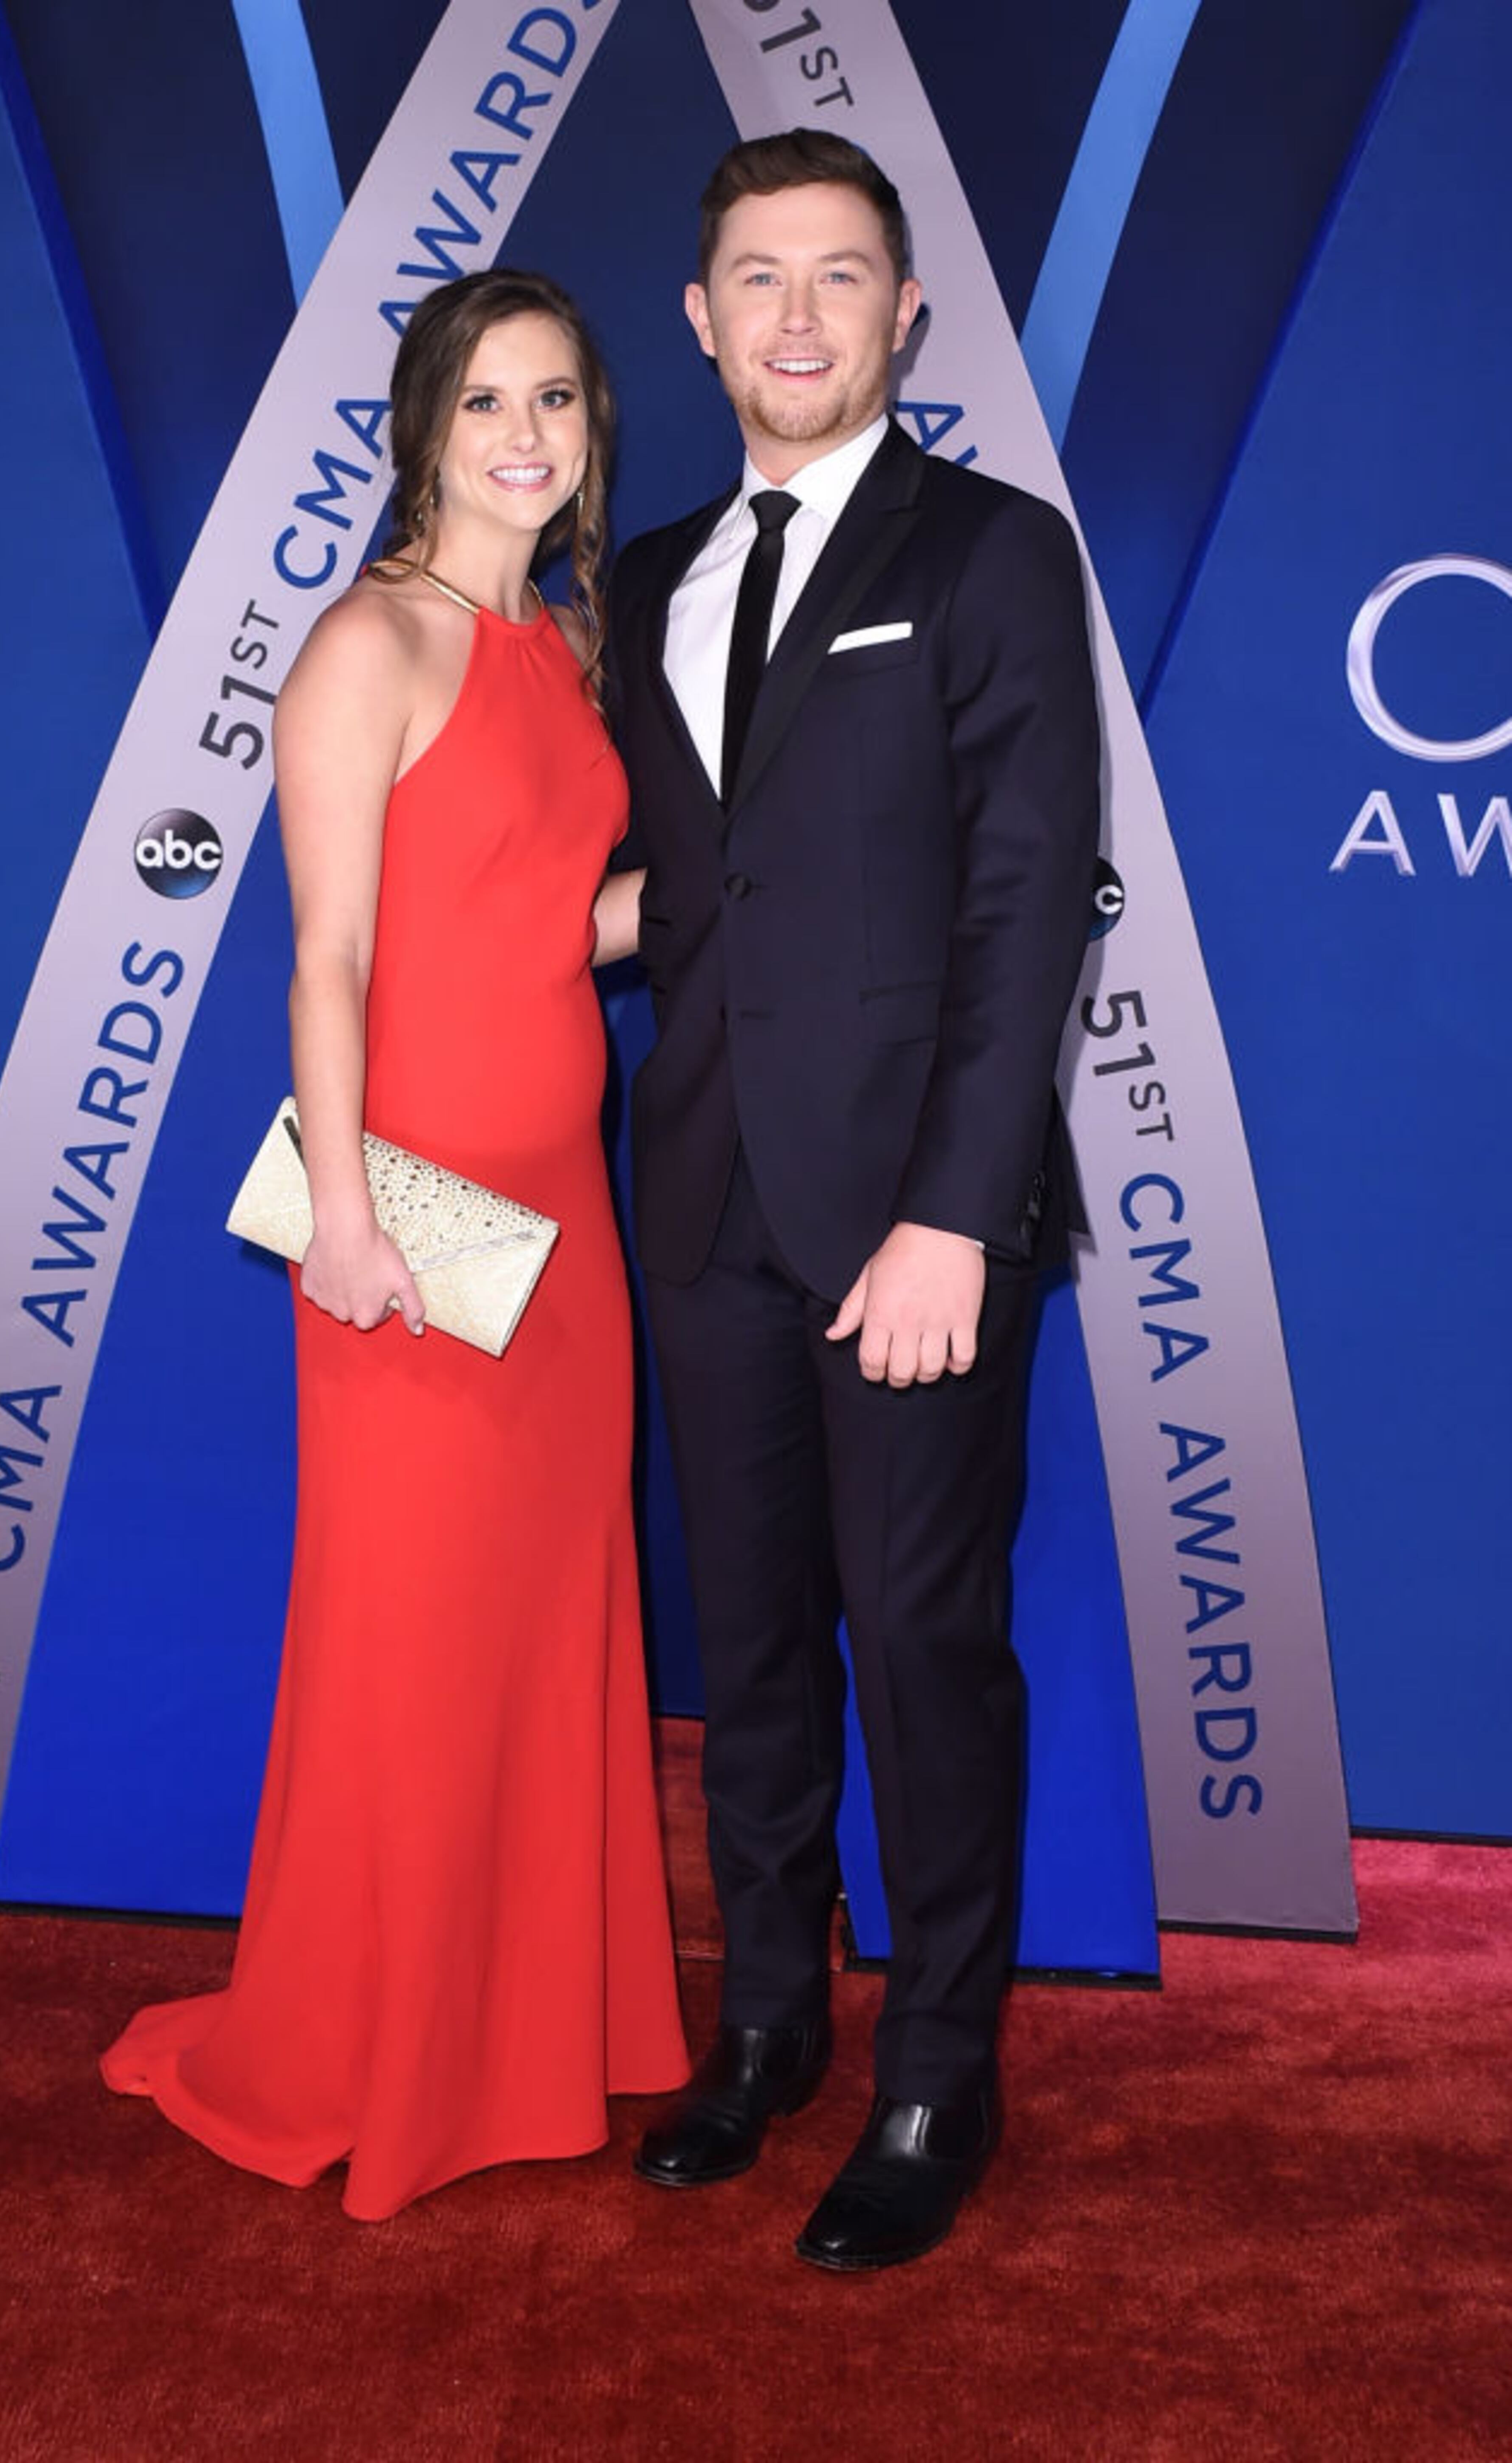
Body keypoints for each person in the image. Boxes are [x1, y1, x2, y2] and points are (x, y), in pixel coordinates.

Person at [102, 270, 688, 2219]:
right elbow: (330, 957)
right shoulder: (372, 645)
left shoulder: (562, 642)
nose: (527, 438)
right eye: (487, 403)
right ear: (424, 429)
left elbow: (538, 927)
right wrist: (346, 1215)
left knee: (542, 1640)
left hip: (564, 1240)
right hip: (414, 1234)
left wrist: (732, 890)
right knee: (415, 1652)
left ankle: (530, 2043)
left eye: (560, 405)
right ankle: (390, 2058)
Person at [609, 132, 1100, 2270]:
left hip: (911, 1219)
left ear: (906, 315)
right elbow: (679, 887)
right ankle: (775, 2028)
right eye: (756, 276)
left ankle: (939, 2070)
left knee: (921, 1646)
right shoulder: (637, 577)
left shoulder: (994, 553)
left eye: (841, 276)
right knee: (756, 1655)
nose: (797, 314)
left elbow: (1022, 911)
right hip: (702, 1197)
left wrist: (954, 1220)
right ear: (702, 319)